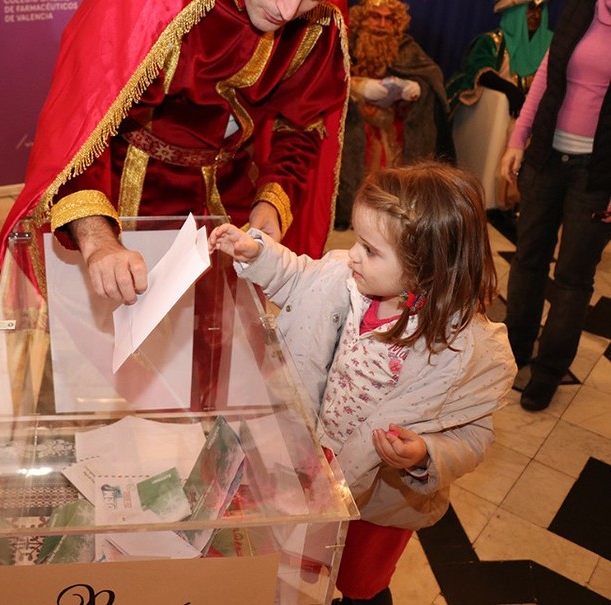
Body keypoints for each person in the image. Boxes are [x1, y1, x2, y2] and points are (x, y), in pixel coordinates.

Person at [209, 161, 515, 604]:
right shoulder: (346, 280)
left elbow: (473, 434)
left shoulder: (459, 352)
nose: (352, 254)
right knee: (308, 562)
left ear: (426, 266)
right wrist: (256, 253)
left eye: (370, 250)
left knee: (361, 584)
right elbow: (297, 278)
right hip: (317, 460)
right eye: (357, 239)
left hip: (384, 499)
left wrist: (425, 454)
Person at [0, 0, 350, 302]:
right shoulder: (149, 6)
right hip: (127, 192)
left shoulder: (318, 19)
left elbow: (301, 125)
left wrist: (271, 201)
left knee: (219, 341)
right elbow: (82, 119)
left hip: (233, 198)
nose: (286, 12)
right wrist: (97, 237)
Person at [499, 0, 611, 412]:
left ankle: (548, 372)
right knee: (528, 259)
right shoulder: (581, 9)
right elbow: (547, 74)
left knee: (572, 278)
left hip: (598, 174)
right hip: (546, 158)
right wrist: (518, 138)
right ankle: (513, 351)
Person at [333, 0, 454, 230]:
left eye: (388, 19)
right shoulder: (346, 42)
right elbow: (329, 78)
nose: (381, 24)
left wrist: (415, 87)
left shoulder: (407, 48)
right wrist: (359, 87)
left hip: (394, 124)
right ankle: (350, 211)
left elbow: (431, 76)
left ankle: (393, 212)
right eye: (375, 17)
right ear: (363, 19)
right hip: (353, 124)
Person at [446, 0, 552, 217]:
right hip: (503, 115)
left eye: (540, 10)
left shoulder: (552, 45)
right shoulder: (492, 41)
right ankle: (504, 202)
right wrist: (509, 90)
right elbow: (479, 69)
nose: (535, 15)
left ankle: (527, 204)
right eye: (530, 9)